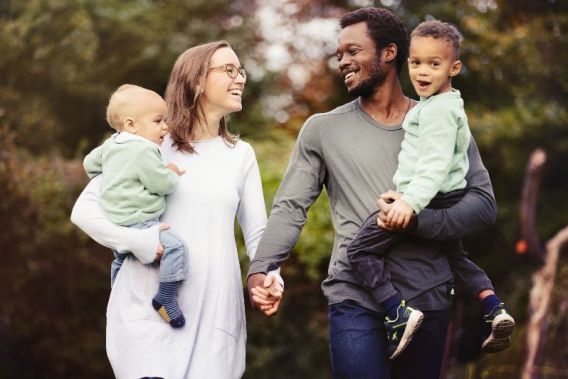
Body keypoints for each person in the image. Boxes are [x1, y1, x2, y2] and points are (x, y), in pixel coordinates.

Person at [247, 8, 495, 379]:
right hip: (354, 296)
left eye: (353, 51)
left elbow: (483, 205)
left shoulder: (442, 120)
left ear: (389, 53)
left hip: (428, 296)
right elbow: (290, 207)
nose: (343, 61)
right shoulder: (322, 130)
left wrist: (416, 220)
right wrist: (261, 269)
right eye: (339, 55)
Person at [71, 41, 282, 379]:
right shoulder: (147, 145)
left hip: (215, 318)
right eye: (229, 69)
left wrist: (270, 278)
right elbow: (84, 212)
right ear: (196, 80)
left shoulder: (240, 155)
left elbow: (257, 233)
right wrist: (139, 242)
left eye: (240, 70)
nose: (240, 78)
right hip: (147, 315)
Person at [346, 20, 515, 360]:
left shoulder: (437, 111)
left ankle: (398, 312)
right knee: (456, 257)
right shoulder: (446, 104)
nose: (422, 72)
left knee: (360, 252)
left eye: (433, 64)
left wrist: (408, 203)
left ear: (454, 67)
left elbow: (433, 166)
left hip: (427, 198)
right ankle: (494, 307)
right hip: (438, 196)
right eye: (415, 62)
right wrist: (403, 193)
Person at [83, 84, 188, 328]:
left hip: (115, 218)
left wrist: (115, 173)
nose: (165, 127)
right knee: (176, 249)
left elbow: (89, 165)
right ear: (132, 124)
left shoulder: (112, 144)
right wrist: (171, 171)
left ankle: (118, 296)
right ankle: (166, 296)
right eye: (158, 121)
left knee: (121, 258)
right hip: (141, 220)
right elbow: (161, 184)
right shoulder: (144, 151)